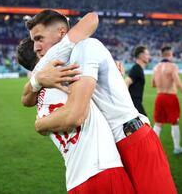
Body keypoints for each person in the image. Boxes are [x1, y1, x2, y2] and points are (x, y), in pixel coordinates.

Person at [25, 10, 177, 194]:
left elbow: (76, 114)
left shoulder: (85, 47)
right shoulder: (66, 63)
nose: (35, 47)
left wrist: (40, 124)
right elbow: (26, 98)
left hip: (132, 138)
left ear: (62, 33)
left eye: (39, 38)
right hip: (114, 148)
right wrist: (38, 79)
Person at [20, 11, 135, 193]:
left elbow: (26, 99)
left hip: (75, 182)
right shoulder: (64, 71)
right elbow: (91, 19)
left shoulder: (41, 95)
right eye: (36, 41)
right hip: (103, 172)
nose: (37, 46)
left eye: (39, 40)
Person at [152, 46, 182, 155]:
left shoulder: (156, 67)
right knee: (175, 122)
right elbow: (178, 83)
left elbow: (153, 84)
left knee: (158, 123)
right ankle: (177, 148)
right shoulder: (173, 66)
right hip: (170, 97)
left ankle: (150, 148)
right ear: (170, 54)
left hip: (159, 96)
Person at [125, 46, 149, 116]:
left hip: (135, 103)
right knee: (145, 122)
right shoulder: (136, 69)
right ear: (141, 55)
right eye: (147, 54)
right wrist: (126, 101)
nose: (148, 56)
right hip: (134, 104)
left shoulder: (138, 68)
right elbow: (126, 82)